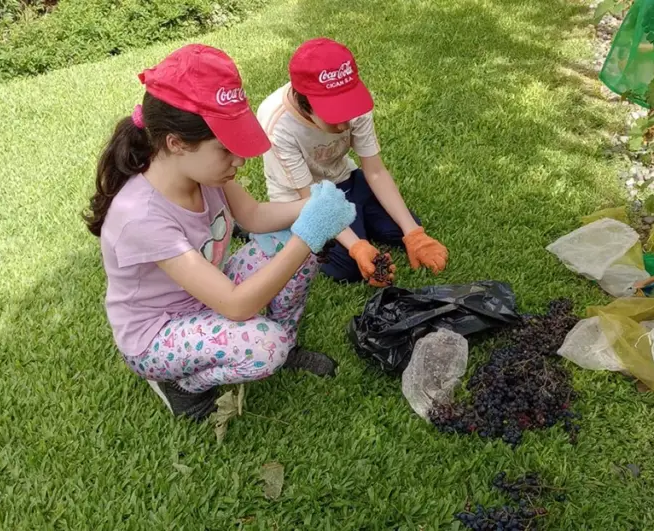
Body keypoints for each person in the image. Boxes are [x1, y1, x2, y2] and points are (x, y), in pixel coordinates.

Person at [83, 44, 356, 422]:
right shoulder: (140, 218)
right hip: (157, 334)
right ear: (176, 144)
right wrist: (308, 233)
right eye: (226, 149)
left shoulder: (203, 172)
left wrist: (313, 205)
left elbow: (255, 216)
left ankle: (288, 344)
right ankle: (180, 384)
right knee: (266, 347)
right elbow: (236, 304)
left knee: (290, 250)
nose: (239, 161)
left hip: (205, 295)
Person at [254, 37, 449, 287]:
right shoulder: (277, 124)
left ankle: (361, 222)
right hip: (302, 200)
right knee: (348, 268)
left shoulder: (353, 99)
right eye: (335, 117)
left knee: (405, 227)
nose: (346, 124)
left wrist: (414, 234)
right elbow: (312, 198)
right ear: (305, 105)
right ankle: (280, 230)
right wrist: (356, 246)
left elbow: (375, 171)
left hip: (345, 180)